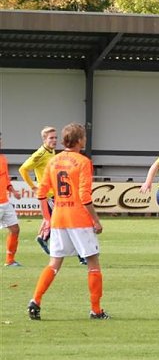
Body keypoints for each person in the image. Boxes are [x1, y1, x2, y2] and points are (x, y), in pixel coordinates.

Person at [27, 123, 109, 320]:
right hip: (78, 218)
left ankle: (35, 300)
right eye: (84, 137)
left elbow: (41, 192)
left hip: (59, 217)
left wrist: (47, 218)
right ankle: (96, 310)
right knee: (93, 262)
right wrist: (96, 220)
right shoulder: (83, 161)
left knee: (54, 263)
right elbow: (85, 196)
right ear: (80, 140)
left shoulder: (53, 161)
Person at [18, 126, 57, 255]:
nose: (54, 140)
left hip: (54, 192)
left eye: (56, 137)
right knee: (55, 218)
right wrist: (33, 187)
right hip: (47, 193)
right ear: (44, 139)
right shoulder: (40, 154)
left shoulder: (51, 151)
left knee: (52, 217)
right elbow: (23, 169)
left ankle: (42, 237)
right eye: (51, 138)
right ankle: (43, 238)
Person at [1, 133, 23, 267]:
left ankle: (10, 260)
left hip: (5, 202)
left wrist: (13, 191)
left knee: (15, 229)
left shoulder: (3, 158)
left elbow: (5, 179)